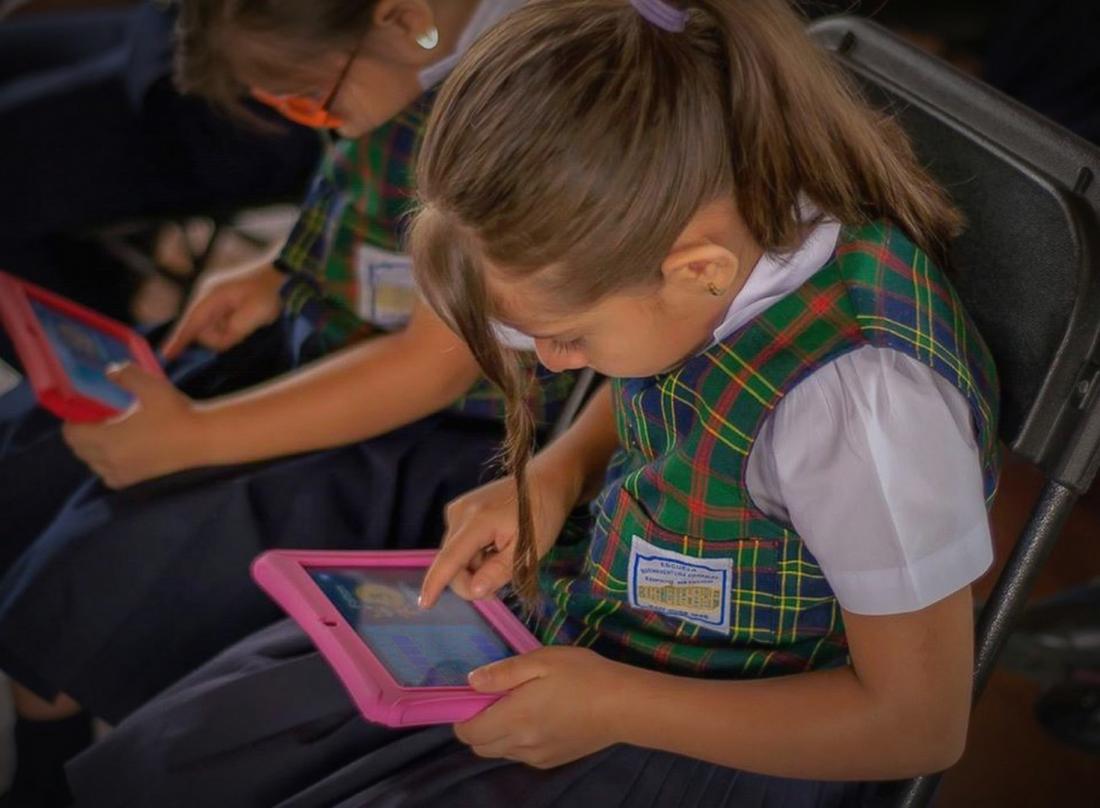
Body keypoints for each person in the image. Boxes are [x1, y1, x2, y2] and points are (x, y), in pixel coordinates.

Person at [65, 1, 1003, 806]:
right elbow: (679, 369)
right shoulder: (725, 242)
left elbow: (916, 726)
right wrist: (559, 468)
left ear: (697, 269)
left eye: (567, 341)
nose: (548, 366)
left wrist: (615, 705)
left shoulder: (865, 407)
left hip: (709, 749)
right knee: (234, 729)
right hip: (608, 637)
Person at [0, 2, 575, 806]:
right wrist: (281, 266)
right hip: (335, 343)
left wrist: (194, 437)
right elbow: (365, 195)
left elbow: (431, 366)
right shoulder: (403, 55)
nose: (317, 122)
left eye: (311, 99)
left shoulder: (508, 102)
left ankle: (53, 762)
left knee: (103, 557)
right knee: (37, 462)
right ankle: (45, 737)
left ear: (399, 20)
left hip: (433, 433)